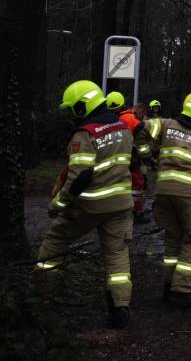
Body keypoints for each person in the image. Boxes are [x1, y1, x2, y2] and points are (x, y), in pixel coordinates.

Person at [36, 80, 134, 328]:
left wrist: (57, 205)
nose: (72, 115)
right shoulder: (123, 126)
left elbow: (80, 177)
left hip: (89, 206)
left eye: (73, 109)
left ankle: (43, 298)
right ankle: (120, 308)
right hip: (121, 204)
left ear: (83, 106)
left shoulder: (86, 134)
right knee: (117, 256)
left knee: (53, 244)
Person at [134, 91, 191, 307]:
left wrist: (147, 156)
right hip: (190, 193)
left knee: (173, 238)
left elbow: (139, 129)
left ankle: (168, 285)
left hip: (164, 191)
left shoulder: (167, 124)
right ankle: (182, 291)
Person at [118, 101, 152, 224]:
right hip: (129, 157)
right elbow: (142, 135)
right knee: (137, 184)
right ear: (140, 111)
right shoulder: (132, 119)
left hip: (121, 155)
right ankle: (136, 212)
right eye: (143, 114)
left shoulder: (122, 117)